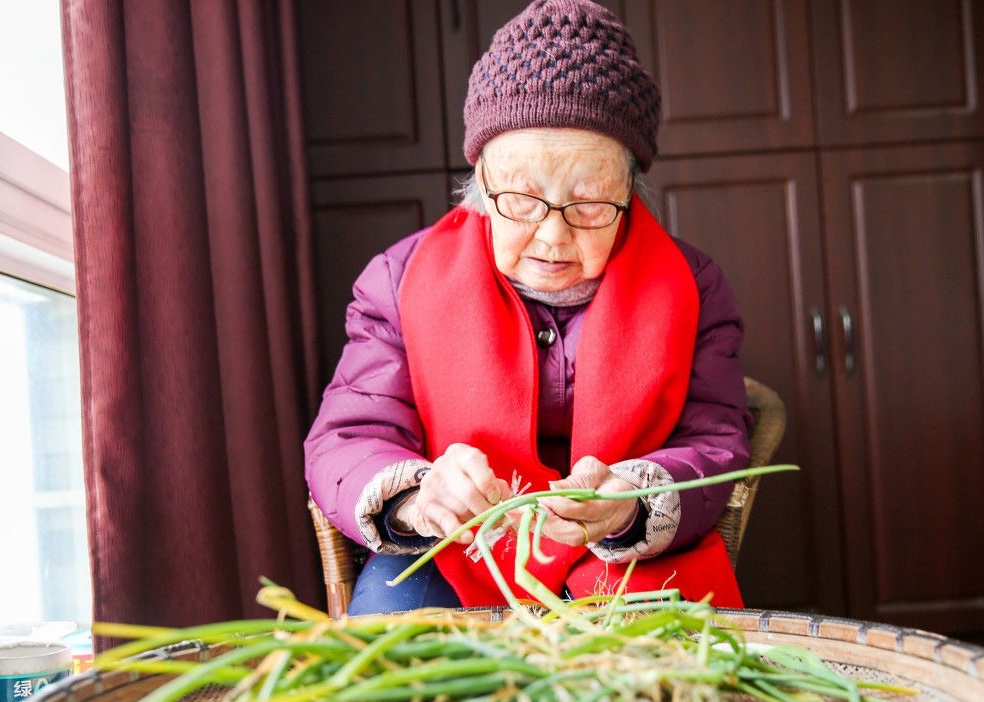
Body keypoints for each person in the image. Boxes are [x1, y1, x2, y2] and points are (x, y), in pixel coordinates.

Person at [304, 0, 751, 615]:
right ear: (480, 185)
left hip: (624, 554)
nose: (552, 236)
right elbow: (351, 434)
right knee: (396, 661)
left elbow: (716, 438)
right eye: (520, 199)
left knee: (658, 691)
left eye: (590, 204)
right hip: (455, 547)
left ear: (631, 191)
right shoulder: (399, 281)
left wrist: (633, 499)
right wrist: (419, 494)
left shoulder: (693, 285)